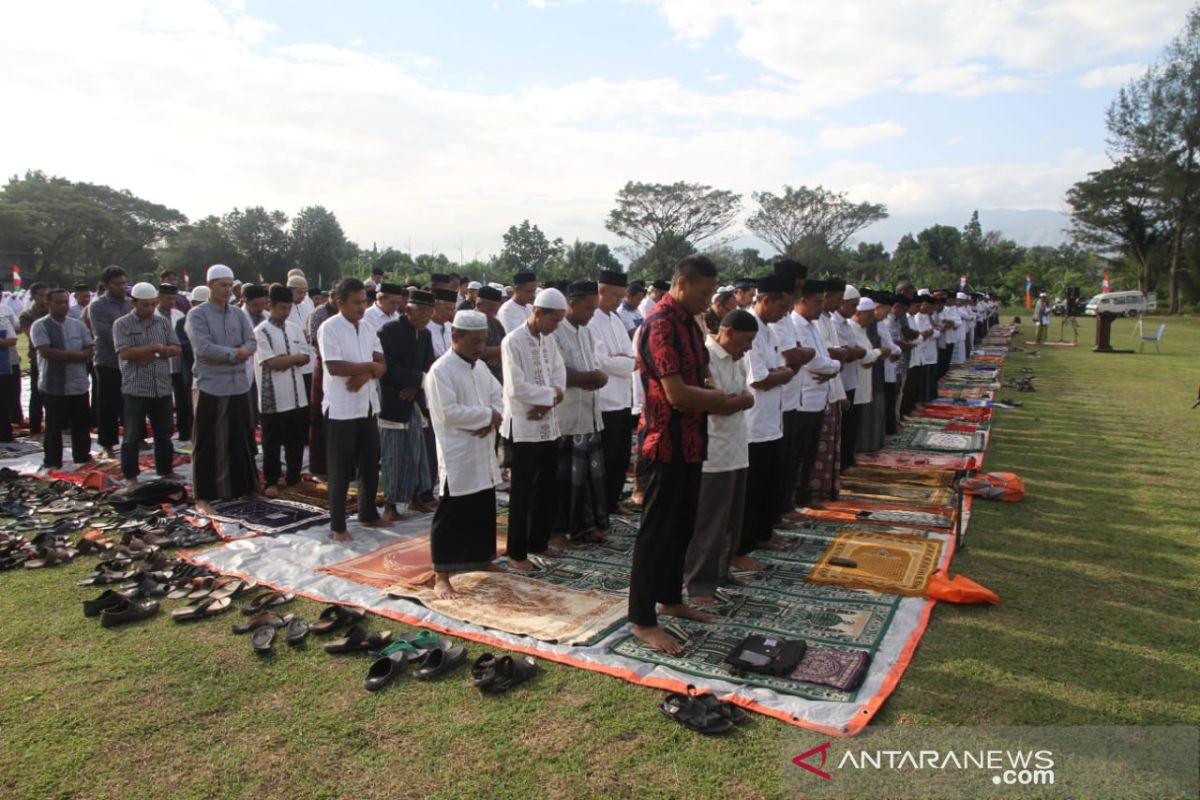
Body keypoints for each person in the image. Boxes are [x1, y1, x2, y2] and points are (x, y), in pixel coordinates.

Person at [630, 255, 742, 654]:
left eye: (712, 292)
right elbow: (677, 394)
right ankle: (642, 619)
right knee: (655, 534)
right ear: (681, 282)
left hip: (693, 442)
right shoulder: (660, 324)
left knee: (681, 528)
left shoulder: (690, 324)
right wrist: (721, 399)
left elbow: (699, 377)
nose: (708, 299)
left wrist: (712, 393)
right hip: (664, 444)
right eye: (704, 292)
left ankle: (671, 600)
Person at [426, 310, 505, 599]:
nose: (480, 348)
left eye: (483, 341)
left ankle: (482, 558)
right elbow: (449, 413)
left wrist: (494, 417)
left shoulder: (480, 367)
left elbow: (500, 397)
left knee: (483, 507)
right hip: (457, 451)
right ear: (455, 337)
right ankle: (441, 575)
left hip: (482, 448)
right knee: (451, 513)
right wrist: (488, 416)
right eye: (475, 342)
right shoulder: (441, 371)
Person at [683, 309, 756, 605]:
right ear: (728, 333)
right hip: (714, 453)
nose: (749, 347)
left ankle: (721, 572)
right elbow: (715, 405)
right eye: (746, 340)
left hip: (737, 449)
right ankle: (699, 584)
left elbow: (746, 396)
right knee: (709, 523)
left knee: (731, 522)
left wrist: (734, 401)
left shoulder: (737, 358)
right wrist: (735, 400)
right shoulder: (706, 358)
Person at [500, 287, 568, 571]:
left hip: (549, 423)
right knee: (522, 491)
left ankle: (538, 542)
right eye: (554, 320)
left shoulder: (547, 339)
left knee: (546, 488)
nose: (557, 327)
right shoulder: (512, 341)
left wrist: (554, 397)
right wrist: (550, 397)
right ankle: (516, 553)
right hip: (524, 424)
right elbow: (516, 387)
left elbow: (559, 373)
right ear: (538, 313)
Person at [319, 278, 389, 541]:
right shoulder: (330, 328)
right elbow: (334, 366)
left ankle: (368, 514)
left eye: (364, 302)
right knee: (340, 468)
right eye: (357, 302)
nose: (362, 307)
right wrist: (368, 368)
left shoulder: (368, 326)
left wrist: (368, 372)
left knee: (370, 464)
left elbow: (382, 363)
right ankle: (338, 525)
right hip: (342, 408)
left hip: (368, 405)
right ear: (341, 303)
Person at [187, 264, 259, 514]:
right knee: (206, 441)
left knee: (241, 438)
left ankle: (245, 488)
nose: (228, 290)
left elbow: (252, 342)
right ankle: (203, 497)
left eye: (230, 285)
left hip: (238, 384)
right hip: (212, 386)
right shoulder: (197, 315)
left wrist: (230, 355)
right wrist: (236, 354)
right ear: (210, 286)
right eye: (223, 286)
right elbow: (204, 350)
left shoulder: (239, 314)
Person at [737, 274, 795, 570]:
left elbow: (777, 370)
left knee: (767, 484)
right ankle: (743, 546)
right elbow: (759, 379)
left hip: (771, 421)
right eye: (782, 306)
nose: (785, 313)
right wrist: (784, 374)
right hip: (753, 424)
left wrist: (781, 373)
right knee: (752, 490)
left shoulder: (768, 329)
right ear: (766, 300)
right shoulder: (748, 328)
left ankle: (762, 534)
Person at [551, 281, 609, 544]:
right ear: (571, 304)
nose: (592, 314)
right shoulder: (555, 332)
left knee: (588, 478)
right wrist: (591, 377)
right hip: (567, 418)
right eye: (588, 308)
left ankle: (585, 527)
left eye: (595, 309)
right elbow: (560, 374)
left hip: (589, 414)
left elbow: (593, 366)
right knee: (563, 481)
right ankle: (559, 531)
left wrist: (597, 377)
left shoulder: (585, 332)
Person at [113, 283, 182, 486]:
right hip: (136, 386)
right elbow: (124, 352)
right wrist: (154, 348)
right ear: (133, 302)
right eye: (145, 305)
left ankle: (165, 470)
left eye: (153, 304)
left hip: (161, 386)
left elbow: (176, 347)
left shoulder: (162, 322)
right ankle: (131, 475)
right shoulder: (123, 324)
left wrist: (161, 351)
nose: (150, 309)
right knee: (132, 434)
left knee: (164, 433)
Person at [377, 289, 436, 521]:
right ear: (410, 310)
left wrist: (416, 385)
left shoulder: (426, 334)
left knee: (417, 452)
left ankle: (415, 497)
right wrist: (414, 381)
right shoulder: (388, 331)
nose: (427, 320)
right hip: (393, 399)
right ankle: (390, 504)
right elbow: (387, 367)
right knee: (393, 454)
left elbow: (428, 365)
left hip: (415, 400)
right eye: (423, 315)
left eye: (430, 315)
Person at [255, 285, 311, 495]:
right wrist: (292, 359)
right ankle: (271, 481)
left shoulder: (294, 328)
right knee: (272, 443)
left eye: (288, 308)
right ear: (270, 306)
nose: (286, 313)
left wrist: (288, 360)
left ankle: (293, 478)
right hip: (273, 398)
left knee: (296, 441)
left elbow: (306, 356)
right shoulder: (261, 332)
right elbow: (270, 362)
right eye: (281, 308)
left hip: (297, 397)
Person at [29, 288, 94, 466]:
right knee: (54, 426)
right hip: (53, 385)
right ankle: (52, 460)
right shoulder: (40, 326)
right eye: (59, 303)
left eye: (65, 302)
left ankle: (82, 457)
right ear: (48, 304)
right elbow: (46, 352)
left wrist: (77, 355)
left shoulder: (78, 325)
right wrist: (77, 356)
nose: (63, 306)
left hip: (78, 383)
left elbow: (89, 348)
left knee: (81, 424)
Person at [592, 270, 637, 514]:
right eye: (616, 296)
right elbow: (601, 362)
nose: (619, 301)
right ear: (602, 291)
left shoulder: (615, 319)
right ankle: (601, 504)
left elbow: (631, 356)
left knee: (620, 456)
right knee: (605, 457)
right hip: (604, 400)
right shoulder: (592, 320)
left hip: (622, 397)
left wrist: (623, 361)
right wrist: (625, 362)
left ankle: (613, 501)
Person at [87, 267, 132, 458]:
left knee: (131, 401)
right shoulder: (98, 306)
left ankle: (134, 438)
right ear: (107, 286)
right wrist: (130, 343)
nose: (122, 287)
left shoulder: (130, 303)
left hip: (130, 360)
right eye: (118, 284)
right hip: (108, 361)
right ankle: (108, 443)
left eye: (124, 282)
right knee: (108, 403)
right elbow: (105, 333)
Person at [306, 280, 340, 478]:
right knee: (321, 419)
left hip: (349, 374)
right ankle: (321, 468)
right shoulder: (318, 315)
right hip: (326, 369)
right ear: (335, 298)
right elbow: (318, 345)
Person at [849, 295, 890, 455]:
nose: (871, 320)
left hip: (865, 380)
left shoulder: (862, 329)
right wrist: (879, 352)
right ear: (858, 313)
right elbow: (863, 356)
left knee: (859, 418)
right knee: (853, 421)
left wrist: (873, 355)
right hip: (855, 382)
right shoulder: (851, 327)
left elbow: (867, 355)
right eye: (869, 316)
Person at [156, 284, 192, 441]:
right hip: (159, 362)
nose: (171, 302)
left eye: (173, 299)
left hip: (178, 363)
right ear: (159, 298)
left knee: (182, 398)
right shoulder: (154, 315)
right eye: (168, 298)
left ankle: (185, 432)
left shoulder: (178, 314)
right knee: (162, 400)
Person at [19, 282, 50, 435]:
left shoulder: (52, 311)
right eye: (41, 296)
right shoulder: (27, 315)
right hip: (38, 358)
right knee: (37, 394)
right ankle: (35, 427)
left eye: (46, 295)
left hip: (56, 358)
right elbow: (32, 335)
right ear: (33, 297)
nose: (45, 299)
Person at [474, 286, 506, 384]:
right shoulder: (469, 324)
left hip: (497, 378)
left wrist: (498, 353)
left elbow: (507, 344)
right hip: (477, 378)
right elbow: (477, 350)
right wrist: (500, 350)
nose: (493, 314)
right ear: (479, 305)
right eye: (491, 310)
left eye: (496, 311)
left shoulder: (496, 323)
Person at [0, 298, 20, 436]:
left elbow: (12, 340)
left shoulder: (3, 320)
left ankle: (5, 431)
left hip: (3, 366)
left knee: (4, 400)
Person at [427, 288, 456, 359]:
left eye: (452, 309)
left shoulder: (452, 327)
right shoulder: (425, 327)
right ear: (435, 306)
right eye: (447, 309)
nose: (450, 313)